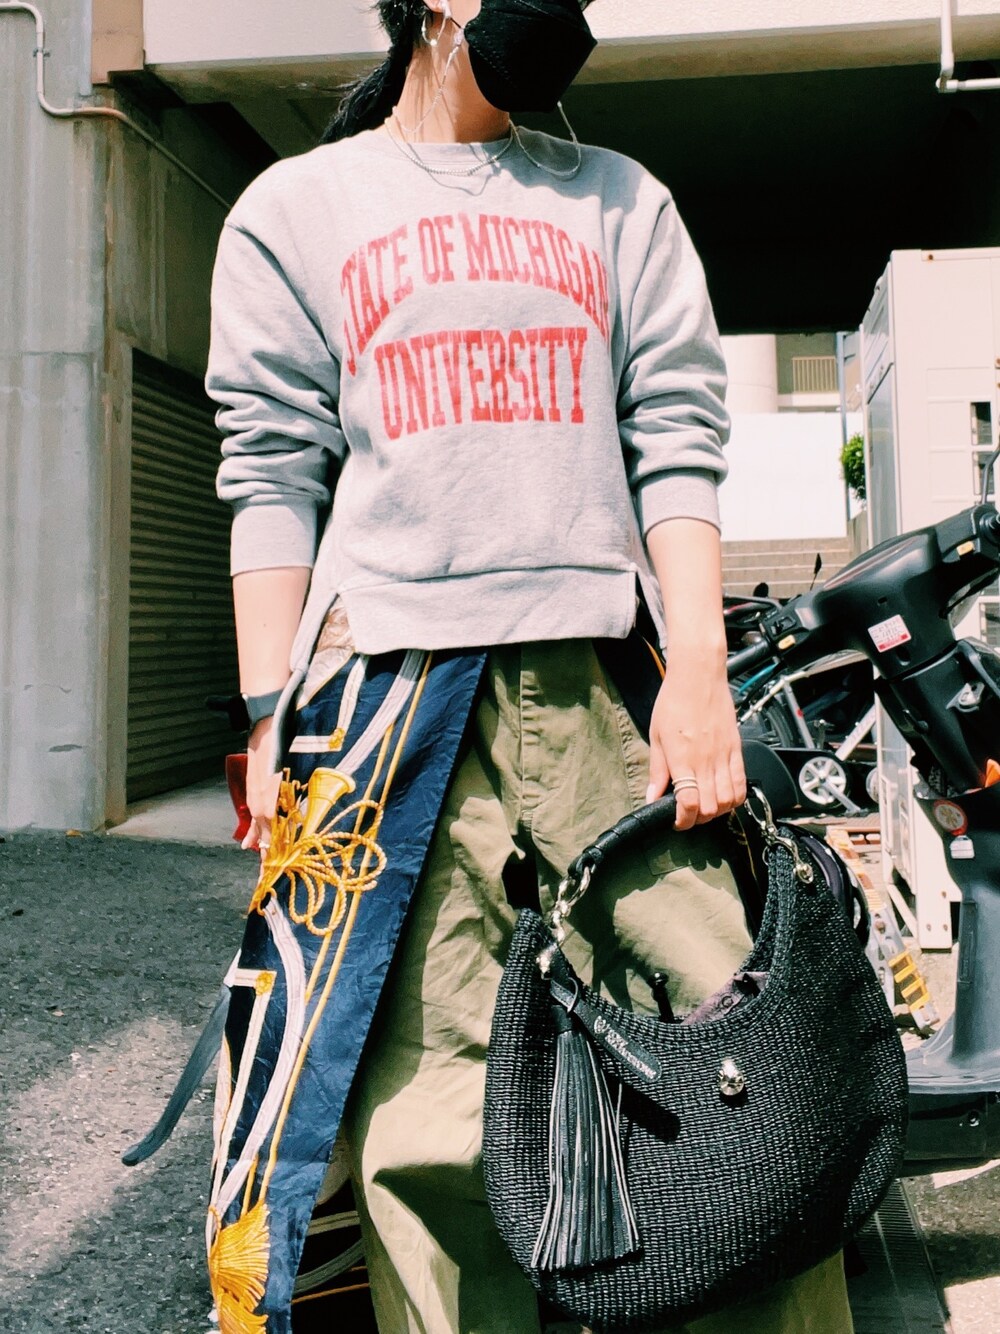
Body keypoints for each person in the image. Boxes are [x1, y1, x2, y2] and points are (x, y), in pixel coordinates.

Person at [204, 1, 853, 1330]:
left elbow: (677, 437)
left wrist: (701, 674)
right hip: (386, 707)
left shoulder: (619, 199)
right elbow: (269, 471)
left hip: (608, 689)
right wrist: (269, 715)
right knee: (431, 1122)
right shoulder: (296, 209)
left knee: (742, 1066)